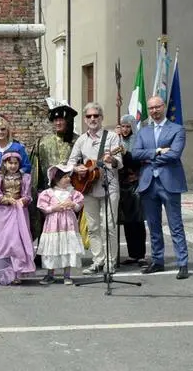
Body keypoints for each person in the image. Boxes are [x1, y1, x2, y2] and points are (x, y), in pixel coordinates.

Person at [132, 95, 189, 280]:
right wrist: (156, 152)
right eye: (151, 108)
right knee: (154, 225)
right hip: (149, 184)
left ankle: (182, 263)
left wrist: (148, 157)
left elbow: (174, 154)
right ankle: (157, 260)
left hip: (169, 182)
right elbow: (135, 154)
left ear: (163, 107)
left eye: (157, 107)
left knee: (175, 225)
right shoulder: (143, 132)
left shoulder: (177, 129)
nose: (154, 111)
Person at [67, 102, 123, 275]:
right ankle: (97, 260)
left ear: (101, 118)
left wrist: (111, 160)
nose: (92, 119)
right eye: (89, 116)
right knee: (92, 227)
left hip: (108, 186)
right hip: (88, 187)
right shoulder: (81, 140)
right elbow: (70, 162)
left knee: (109, 225)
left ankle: (110, 262)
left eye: (96, 116)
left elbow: (118, 162)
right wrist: (77, 169)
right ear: (85, 119)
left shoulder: (112, 137)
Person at [31, 99, 78, 266]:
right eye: (55, 120)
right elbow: (36, 168)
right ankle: (43, 254)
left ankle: (66, 257)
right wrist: (36, 189)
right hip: (48, 192)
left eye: (61, 119)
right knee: (46, 226)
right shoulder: (43, 142)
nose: (58, 122)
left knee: (67, 225)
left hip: (70, 191)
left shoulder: (76, 141)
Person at [0, 152, 35, 285]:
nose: (13, 166)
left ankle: (17, 272)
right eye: (10, 163)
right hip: (2, 213)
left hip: (18, 211)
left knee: (17, 242)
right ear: (5, 163)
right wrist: (7, 199)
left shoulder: (25, 177)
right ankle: (4, 275)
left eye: (15, 163)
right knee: (3, 243)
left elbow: (28, 196)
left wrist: (22, 201)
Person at [36, 164, 85, 286]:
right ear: (56, 179)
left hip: (68, 224)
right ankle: (50, 274)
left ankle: (67, 275)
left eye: (68, 176)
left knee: (67, 247)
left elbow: (79, 205)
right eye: (64, 177)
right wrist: (54, 208)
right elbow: (42, 206)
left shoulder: (73, 193)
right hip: (53, 225)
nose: (68, 179)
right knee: (52, 247)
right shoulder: (48, 192)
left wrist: (73, 205)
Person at [117, 114, 146, 266]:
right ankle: (132, 254)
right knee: (127, 221)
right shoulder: (117, 140)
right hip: (122, 185)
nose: (125, 129)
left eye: (128, 126)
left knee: (138, 220)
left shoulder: (137, 141)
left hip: (135, 184)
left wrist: (125, 153)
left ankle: (140, 254)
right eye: (123, 126)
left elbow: (136, 159)